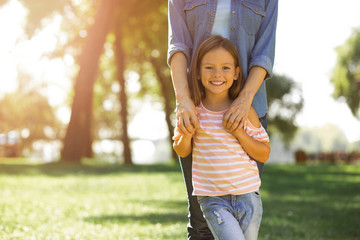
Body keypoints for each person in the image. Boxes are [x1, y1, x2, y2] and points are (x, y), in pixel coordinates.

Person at [168, 0, 278, 239]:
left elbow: (264, 52)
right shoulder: (196, 112)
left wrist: (243, 100)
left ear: (235, 71)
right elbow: (177, 44)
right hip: (193, 105)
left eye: (226, 68)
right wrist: (184, 101)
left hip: (249, 107)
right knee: (200, 223)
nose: (218, 74)